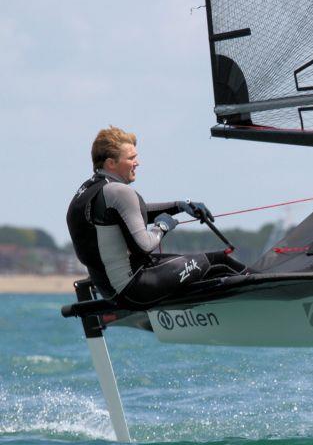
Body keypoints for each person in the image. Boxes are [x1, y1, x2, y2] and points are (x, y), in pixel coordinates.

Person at [67, 126, 249, 309]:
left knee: (190, 262)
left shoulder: (88, 191)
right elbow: (143, 246)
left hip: (111, 291)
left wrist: (179, 206)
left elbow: (132, 215)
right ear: (111, 163)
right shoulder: (119, 191)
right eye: (131, 158)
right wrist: (162, 226)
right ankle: (269, 286)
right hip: (135, 289)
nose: (137, 163)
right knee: (217, 262)